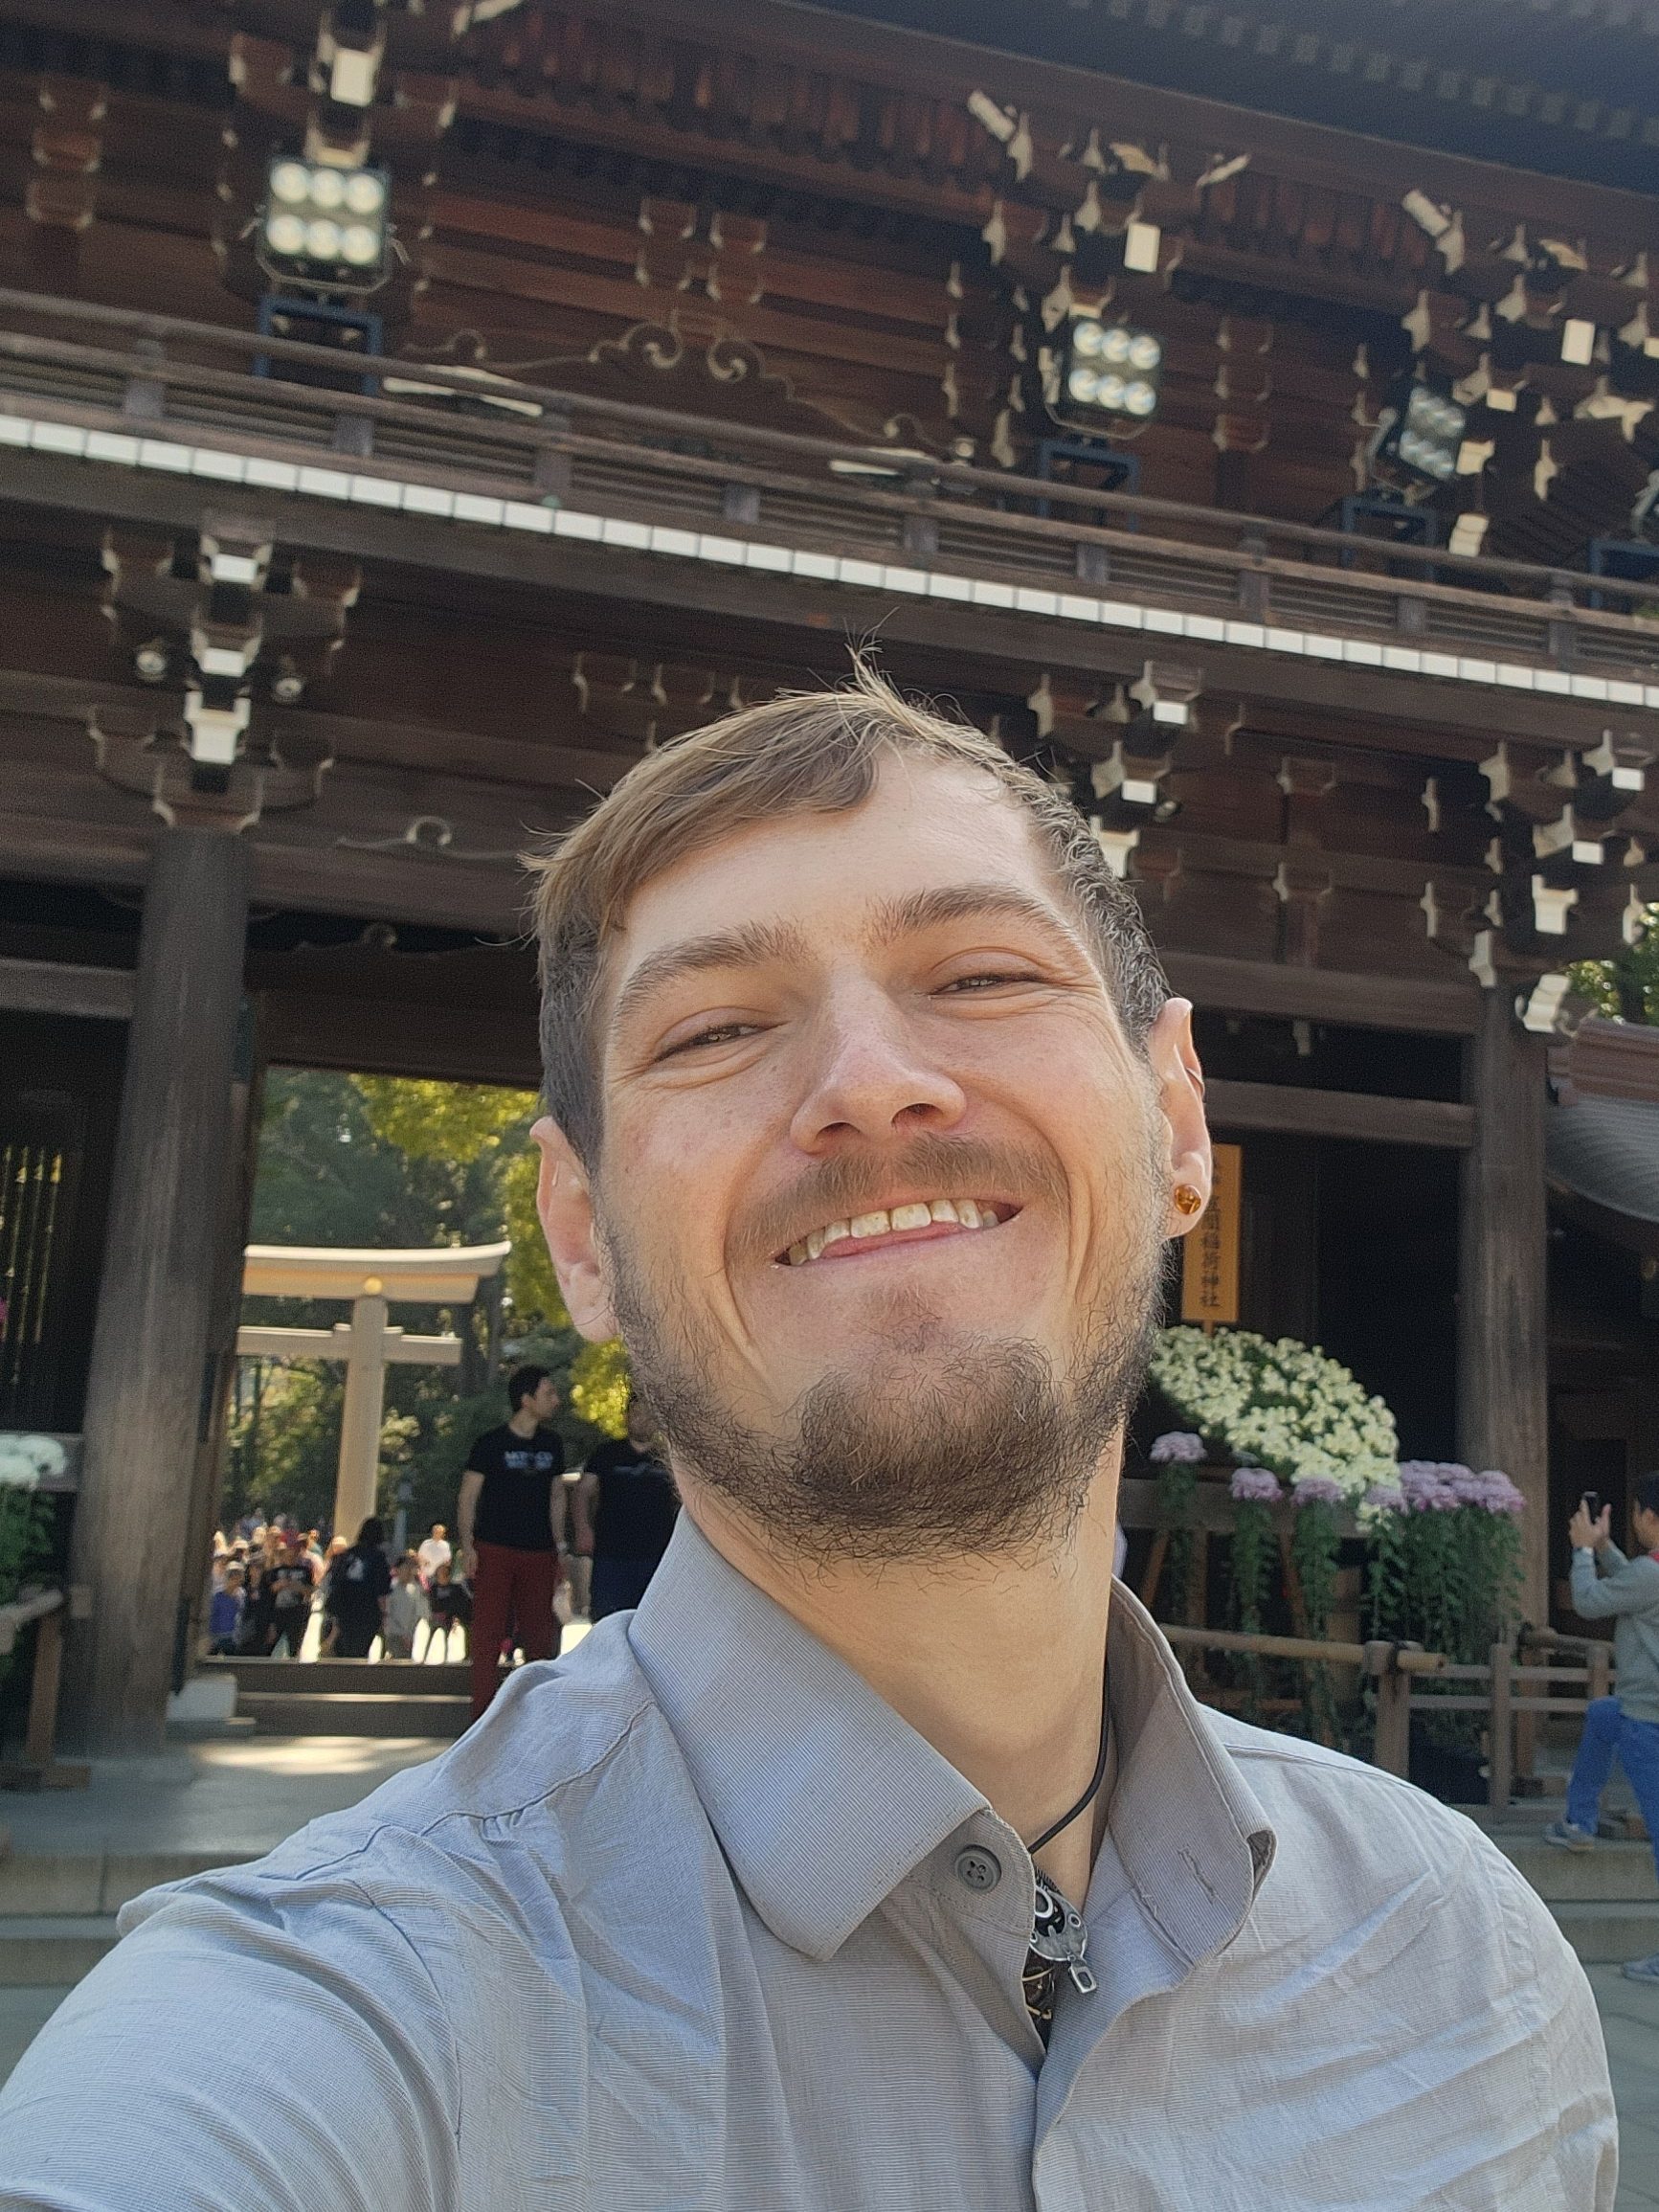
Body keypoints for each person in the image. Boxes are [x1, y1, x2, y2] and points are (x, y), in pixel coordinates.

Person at [0, 670, 1614, 2206]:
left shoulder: (1456, 1966)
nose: (870, 1084)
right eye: (712, 1029)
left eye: (981, 976)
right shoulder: (346, 2018)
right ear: (581, 1233)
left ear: (1176, 1118)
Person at [1545, 1472, 1659, 1981]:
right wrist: (1605, 1547)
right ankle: (1579, 1822)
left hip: (1648, 1721)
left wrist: (1581, 1551)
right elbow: (1635, 1585)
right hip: (1636, 1708)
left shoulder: (1649, 1575)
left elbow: (1590, 1601)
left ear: (1649, 1517)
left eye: (1636, 1513)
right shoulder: (1649, 1572)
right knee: (1600, 1714)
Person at [457, 1366, 565, 1719]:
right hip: (494, 1548)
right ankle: (482, 1716)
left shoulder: (552, 1444)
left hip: (539, 1551)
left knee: (539, 1635)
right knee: (487, 1633)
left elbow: (556, 1497)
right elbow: (468, 1496)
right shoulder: (490, 1444)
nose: (556, 1400)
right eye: (548, 1393)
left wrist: (560, 1546)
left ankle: (537, 1715)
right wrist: (468, 1545)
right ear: (526, 1399)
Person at [572, 1399, 679, 1619]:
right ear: (626, 1417)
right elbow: (583, 1492)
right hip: (612, 1554)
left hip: (658, 1554)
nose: (641, 1420)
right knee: (607, 1619)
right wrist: (583, 1529)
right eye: (636, 1414)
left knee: (654, 1621)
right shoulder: (606, 1454)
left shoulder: (668, 1458)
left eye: (648, 1415)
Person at [324, 1519, 393, 1661]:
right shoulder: (378, 1557)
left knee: (344, 1653)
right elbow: (381, 1591)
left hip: (343, 1610)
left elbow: (334, 1582)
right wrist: (384, 1616)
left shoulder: (345, 1555)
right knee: (360, 1654)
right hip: (366, 1612)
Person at [264, 1533, 316, 1660]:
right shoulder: (275, 1571)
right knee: (269, 1646)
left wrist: (295, 1586)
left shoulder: (305, 1571)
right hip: (278, 1613)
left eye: (294, 1551)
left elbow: (310, 1591)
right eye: (289, 1551)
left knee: (294, 1648)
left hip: (296, 1613)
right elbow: (269, 1592)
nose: (291, 1554)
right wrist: (280, 1584)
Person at [383, 1554, 432, 1661]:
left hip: (414, 1637)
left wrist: (410, 1634)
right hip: (395, 1635)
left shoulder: (417, 1590)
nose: (405, 1571)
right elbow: (388, 1613)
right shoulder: (391, 1590)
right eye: (402, 1568)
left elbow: (422, 1614)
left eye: (408, 1568)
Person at [425, 1557, 471, 1659]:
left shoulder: (456, 1588)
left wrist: (454, 1615)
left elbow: (460, 1603)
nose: (442, 1574)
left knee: (465, 1628)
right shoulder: (434, 1588)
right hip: (437, 1616)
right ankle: (426, 1656)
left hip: (452, 1616)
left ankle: (466, 1655)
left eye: (445, 1572)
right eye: (440, 1572)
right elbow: (432, 1603)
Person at [205, 1566, 244, 1657]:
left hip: (232, 1637)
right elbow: (212, 1615)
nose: (235, 1583)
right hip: (216, 1636)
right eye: (233, 1579)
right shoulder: (218, 1596)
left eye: (238, 1581)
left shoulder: (240, 1597)